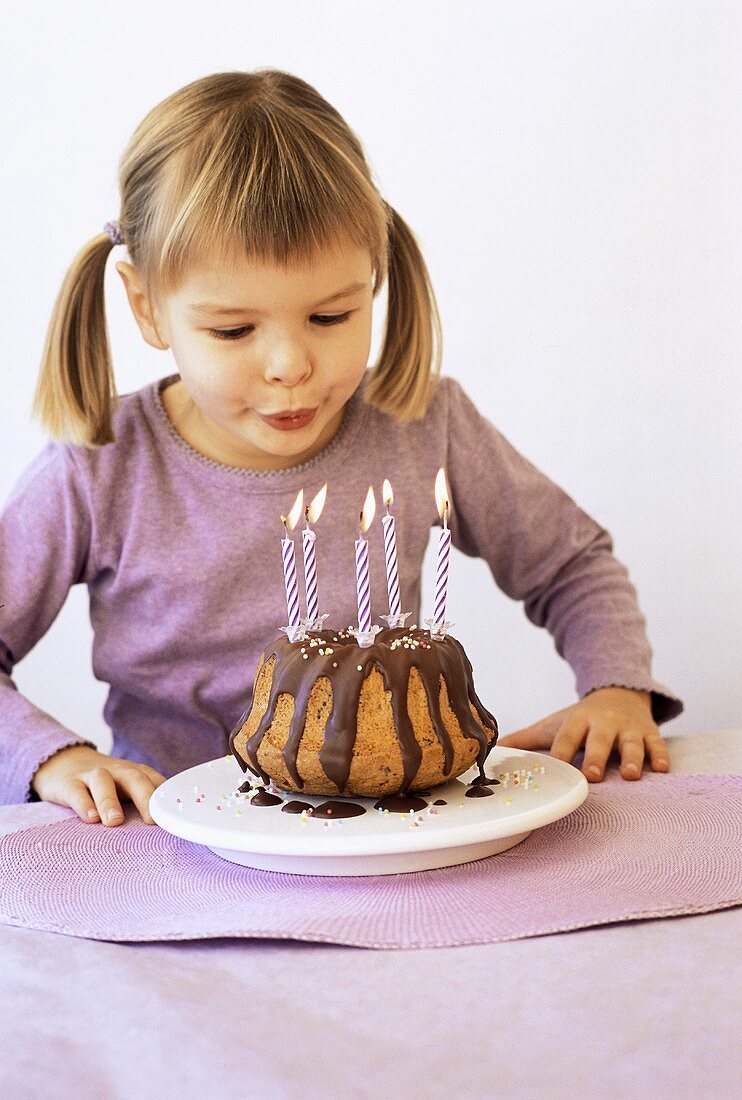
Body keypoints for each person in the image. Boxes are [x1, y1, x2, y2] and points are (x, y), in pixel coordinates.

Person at [0, 69, 682, 827]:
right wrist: (51, 756)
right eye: (233, 330)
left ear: (375, 279)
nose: (290, 364)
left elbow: (572, 563)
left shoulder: (424, 424)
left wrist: (616, 688)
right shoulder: (97, 469)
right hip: (172, 844)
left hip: (401, 828)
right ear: (146, 307)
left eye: (331, 315)